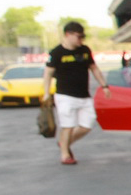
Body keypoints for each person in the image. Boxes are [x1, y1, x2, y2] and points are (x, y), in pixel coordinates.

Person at [41, 20, 110, 165]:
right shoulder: (57, 53)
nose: (81, 40)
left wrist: (104, 85)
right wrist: (46, 93)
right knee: (68, 125)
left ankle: (64, 143)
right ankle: (65, 155)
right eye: (79, 37)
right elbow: (47, 74)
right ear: (68, 35)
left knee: (87, 125)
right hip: (65, 95)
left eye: (82, 37)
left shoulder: (84, 50)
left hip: (84, 95)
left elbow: (94, 68)